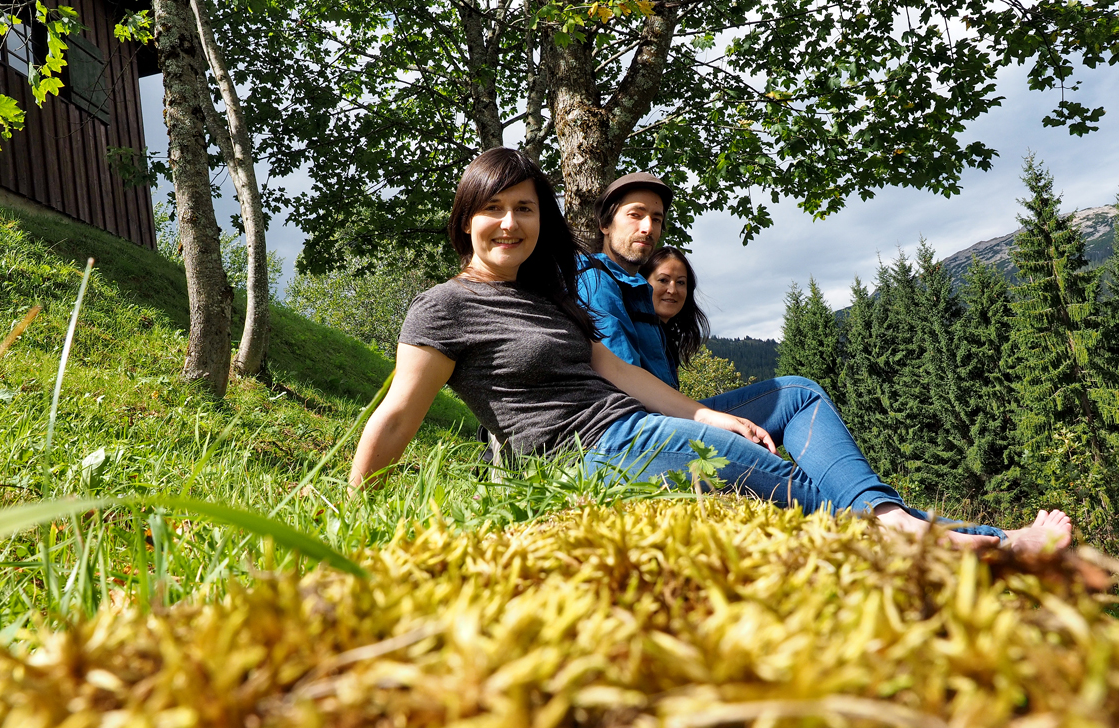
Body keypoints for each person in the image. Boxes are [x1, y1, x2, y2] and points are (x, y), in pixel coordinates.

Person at [349, 147, 1071, 557]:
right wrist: (356, 513)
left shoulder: (550, 299)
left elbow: (617, 371)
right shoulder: (444, 306)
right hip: (593, 452)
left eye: (525, 209)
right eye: (493, 208)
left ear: (542, 219)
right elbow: (398, 415)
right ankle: (974, 545)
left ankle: (926, 533)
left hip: (635, 426)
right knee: (802, 499)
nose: (509, 223)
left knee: (797, 396)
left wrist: (706, 414)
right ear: (465, 218)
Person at [577, 173, 678, 387]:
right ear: (605, 225)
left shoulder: (636, 289)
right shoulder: (595, 281)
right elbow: (624, 384)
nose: (648, 228)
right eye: (635, 215)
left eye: (656, 219)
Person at [639, 246, 709, 384]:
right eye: (663, 280)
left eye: (681, 282)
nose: (673, 290)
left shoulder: (668, 340)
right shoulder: (635, 332)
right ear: (643, 281)